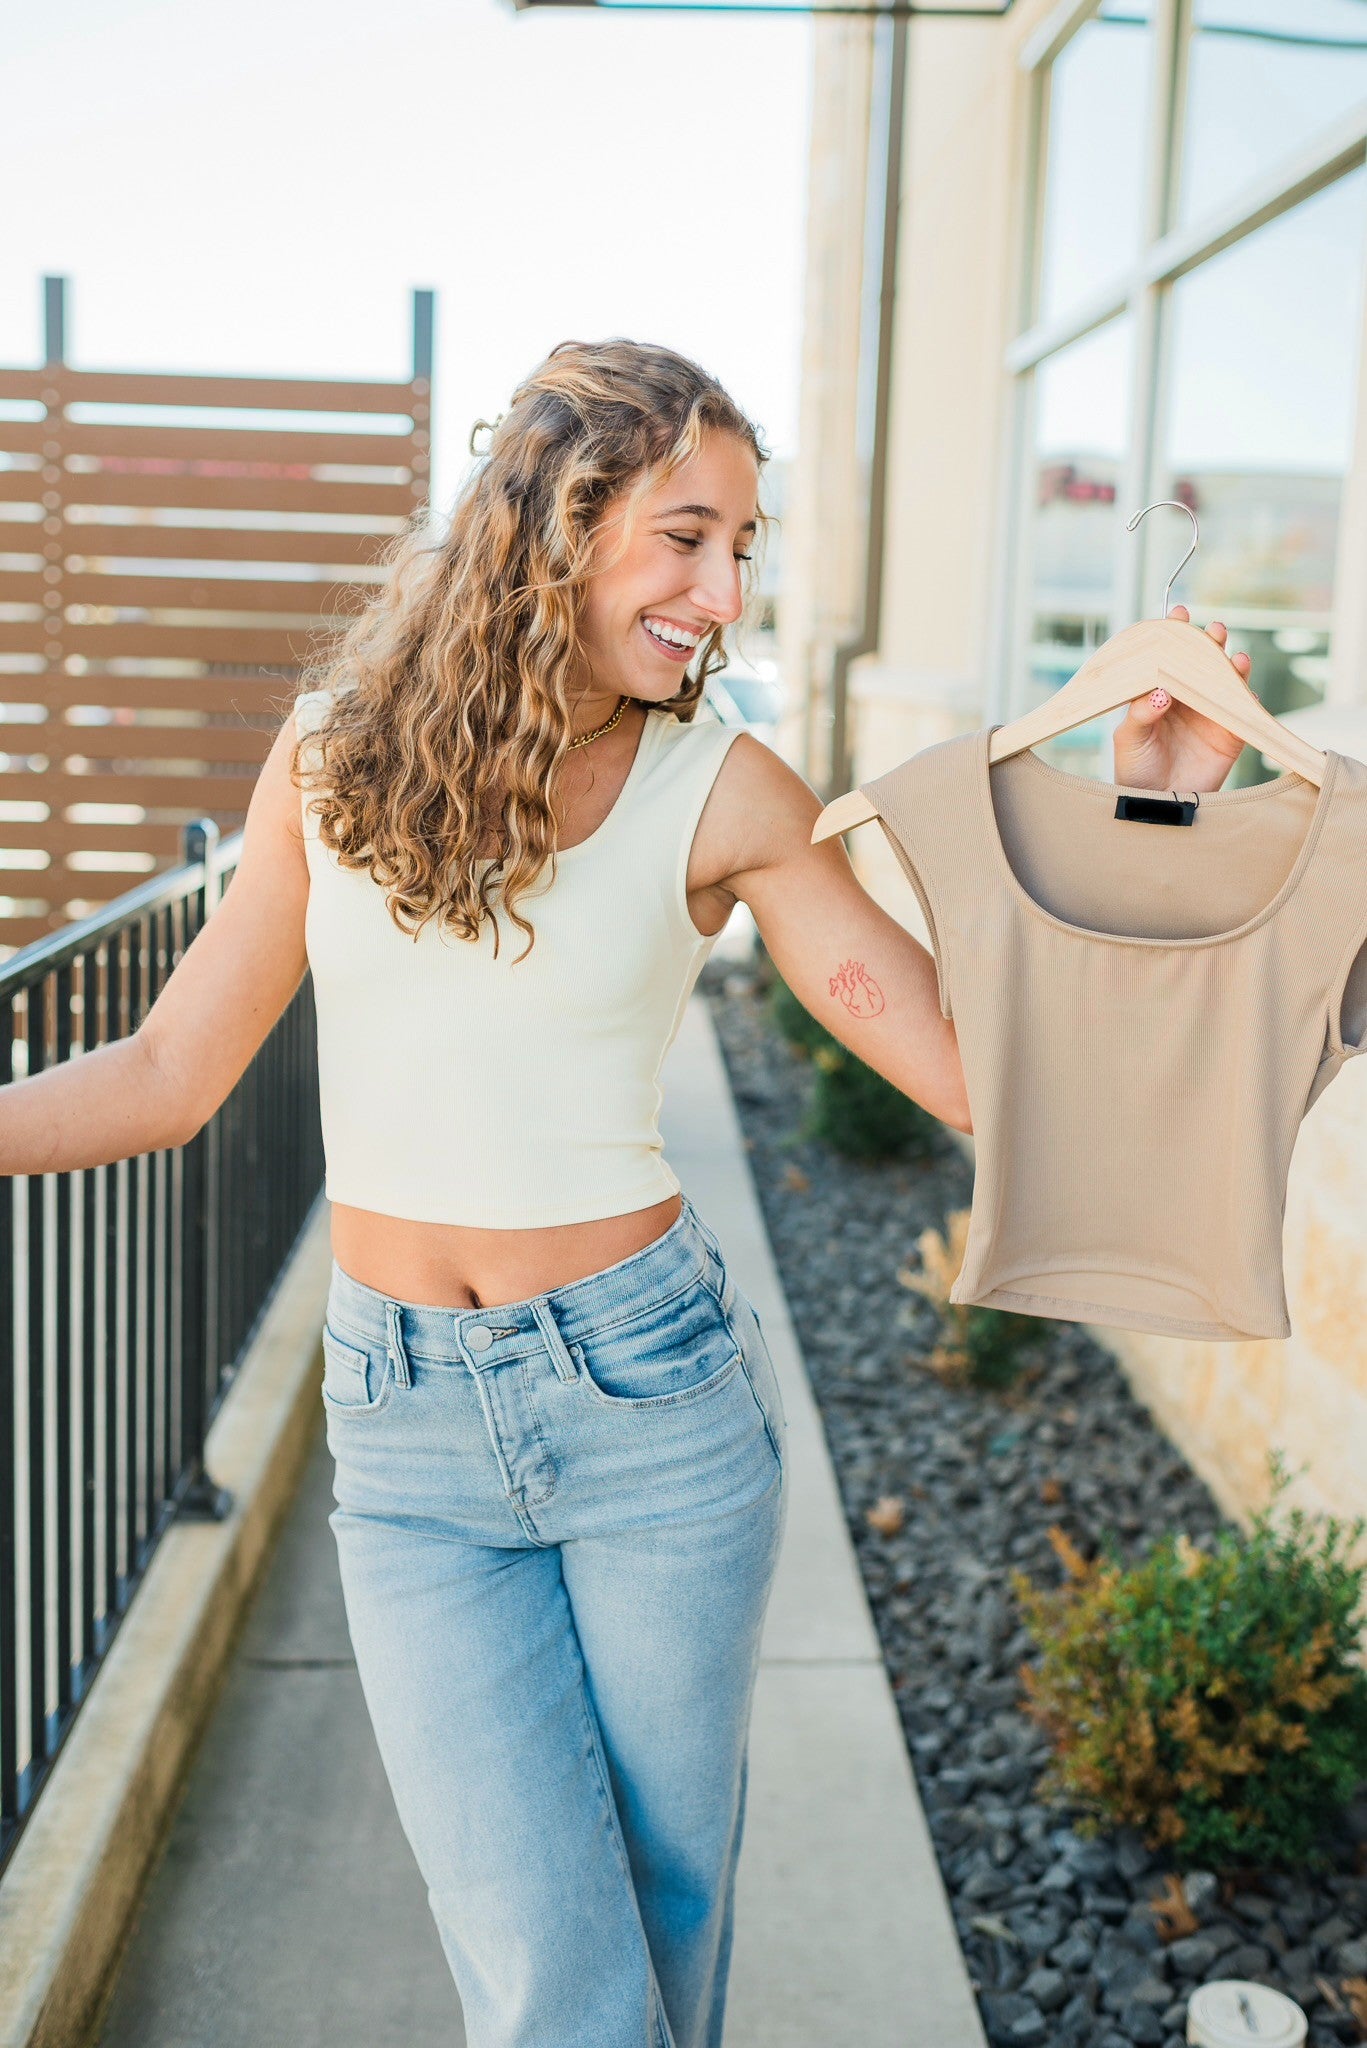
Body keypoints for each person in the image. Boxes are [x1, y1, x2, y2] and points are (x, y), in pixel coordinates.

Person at [0, 339, 1254, 2048]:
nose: (725, 590)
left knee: (648, 1949)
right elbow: (163, 1075)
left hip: (648, 1409)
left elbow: (988, 1080)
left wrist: (1158, 814)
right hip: (404, 1425)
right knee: (547, 1970)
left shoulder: (727, 790)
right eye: (687, 536)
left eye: (747, 545)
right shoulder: (327, 761)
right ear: (557, 520)